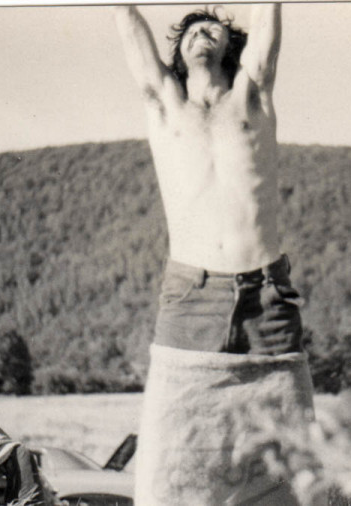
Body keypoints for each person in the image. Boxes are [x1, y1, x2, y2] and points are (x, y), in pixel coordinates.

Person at [116, 4, 314, 504]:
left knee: (289, 471)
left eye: (215, 27)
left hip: (268, 302)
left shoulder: (252, 96)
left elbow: (267, 39)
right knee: (168, 471)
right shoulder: (166, 105)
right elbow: (133, 41)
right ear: (178, 53)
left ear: (231, 46)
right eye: (192, 29)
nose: (204, 32)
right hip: (190, 297)